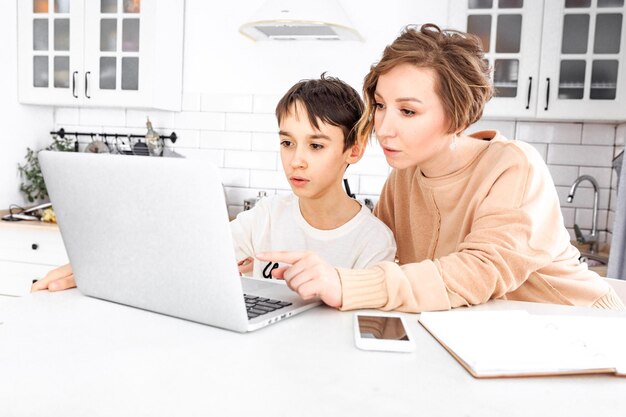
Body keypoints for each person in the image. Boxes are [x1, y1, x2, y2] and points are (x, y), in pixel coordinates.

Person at [257, 24, 626, 312]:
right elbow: (379, 259)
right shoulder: (402, 179)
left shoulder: (513, 167)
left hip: (578, 325)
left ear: (457, 116)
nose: (383, 127)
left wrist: (345, 285)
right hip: (493, 335)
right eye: (381, 104)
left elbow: (478, 272)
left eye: (408, 111)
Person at [31, 75, 397, 292]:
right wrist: (101, 267)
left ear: (353, 150)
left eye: (316, 145)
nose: (296, 159)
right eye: (287, 142)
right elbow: (186, 256)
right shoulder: (266, 217)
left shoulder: (373, 242)